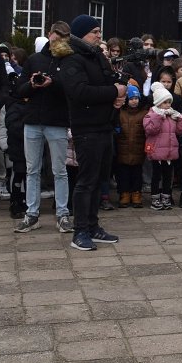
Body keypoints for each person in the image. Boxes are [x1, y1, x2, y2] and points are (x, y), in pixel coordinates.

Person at [54, 14, 125, 251]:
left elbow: (106, 83)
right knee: (86, 181)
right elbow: (80, 92)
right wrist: (113, 93)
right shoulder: (71, 59)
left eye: (99, 31)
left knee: (99, 179)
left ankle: (93, 226)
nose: (99, 35)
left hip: (104, 125)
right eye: (94, 31)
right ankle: (80, 231)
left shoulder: (95, 56)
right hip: (86, 128)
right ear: (82, 33)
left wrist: (117, 95)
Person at [13, 24, 75, 235]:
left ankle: (62, 214)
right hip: (32, 120)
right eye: (56, 38)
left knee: (59, 170)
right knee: (32, 170)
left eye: (63, 39)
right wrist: (32, 84)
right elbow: (19, 90)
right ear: (49, 35)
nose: (58, 43)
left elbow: (71, 89)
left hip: (56, 121)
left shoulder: (69, 60)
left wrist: (53, 83)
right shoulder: (34, 59)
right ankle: (31, 214)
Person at [144, 83, 182, 209]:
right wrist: (158, 117)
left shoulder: (171, 116)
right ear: (158, 103)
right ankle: (155, 198)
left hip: (169, 152)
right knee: (156, 176)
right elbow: (150, 130)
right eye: (165, 102)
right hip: (157, 152)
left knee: (168, 176)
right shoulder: (151, 115)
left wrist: (181, 118)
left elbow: (179, 130)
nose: (168, 105)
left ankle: (166, 197)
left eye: (169, 102)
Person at [114, 84, 148, 207]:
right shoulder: (120, 113)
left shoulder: (144, 113)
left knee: (137, 174)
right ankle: (124, 193)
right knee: (123, 174)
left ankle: (136, 194)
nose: (134, 101)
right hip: (123, 149)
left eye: (136, 98)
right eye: (131, 98)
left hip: (138, 149)